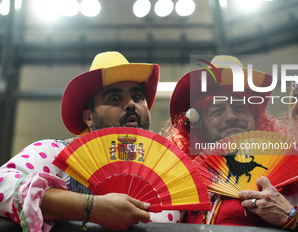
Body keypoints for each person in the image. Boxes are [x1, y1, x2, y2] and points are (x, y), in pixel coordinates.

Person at [0, 51, 182, 232]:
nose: (131, 104)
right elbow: (3, 185)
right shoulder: (56, 153)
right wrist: (91, 208)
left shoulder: (172, 172)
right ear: (89, 117)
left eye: (137, 97)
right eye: (115, 98)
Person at [166, 55, 298, 230]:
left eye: (240, 106)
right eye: (217, 111)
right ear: (199, 127)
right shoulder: (187, 188)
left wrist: (292, 216)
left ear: (256, 118)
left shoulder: (288, 173)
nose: (231, 117)